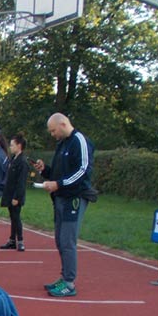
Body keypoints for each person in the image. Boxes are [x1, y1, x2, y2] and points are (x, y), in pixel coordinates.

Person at [31, 113, 96, 298]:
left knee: (67, 240)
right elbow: (59, 173)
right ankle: (64, 277)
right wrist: (46, 171)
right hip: (60, 198)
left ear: (63, 124)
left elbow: (83, 170)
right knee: (60, 239)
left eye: (53, 130)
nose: (52, 135)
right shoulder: (62, 144)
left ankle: (69, 282)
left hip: (74, 197)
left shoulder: (79, 141)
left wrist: (59, 184)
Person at [0, 133, 29, 251]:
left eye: (12, 145)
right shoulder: (13, 159)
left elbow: (21, 182)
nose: (10, 147)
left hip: (16, 195)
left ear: (19, 145)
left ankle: (20, 240)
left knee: (16, 217)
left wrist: (17, 197)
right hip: (9, 192)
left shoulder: (22, 162)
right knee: (12, 217)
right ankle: (12, 240)